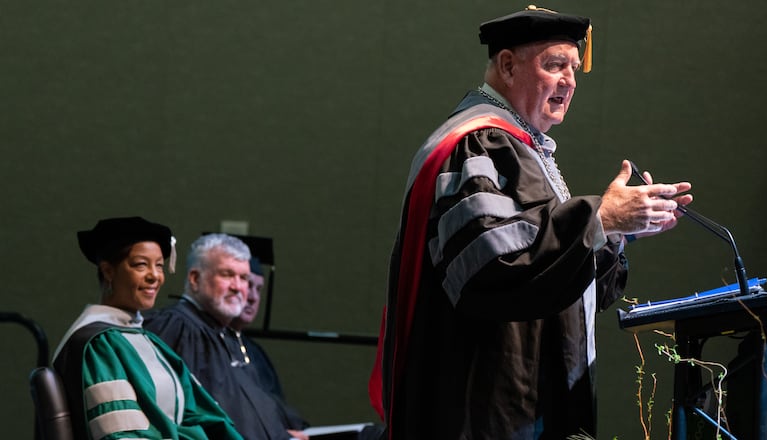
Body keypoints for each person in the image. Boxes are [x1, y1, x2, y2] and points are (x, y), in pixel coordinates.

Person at [368, 5, 694, 439]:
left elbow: (552, 279)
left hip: (530, 399)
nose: (570, 81)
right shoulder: (476, 145)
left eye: (574, 68)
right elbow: (491, 269)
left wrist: (613, 232)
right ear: (507, 65)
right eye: (555, 65)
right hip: (486, 403)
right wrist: (598, 218)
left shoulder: (526, 150)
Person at [52, 216, 243, 439]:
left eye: (159, 265)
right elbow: (121, 434)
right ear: (108, 271)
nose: (155, 276)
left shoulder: (149, 341)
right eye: (141, 265)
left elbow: (202, 415)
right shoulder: (98, 343)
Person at [143, 233, 307, 440]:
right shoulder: (179, 328)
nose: (238, 287)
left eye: (244, 278)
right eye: (227, 274)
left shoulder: (227, 338)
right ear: (195, 278)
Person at [229, 254, 310, 431]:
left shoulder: (256, 353)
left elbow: (276, 406)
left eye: (259, 289)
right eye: (248, 285)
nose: (253, 297)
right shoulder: (207, 342)